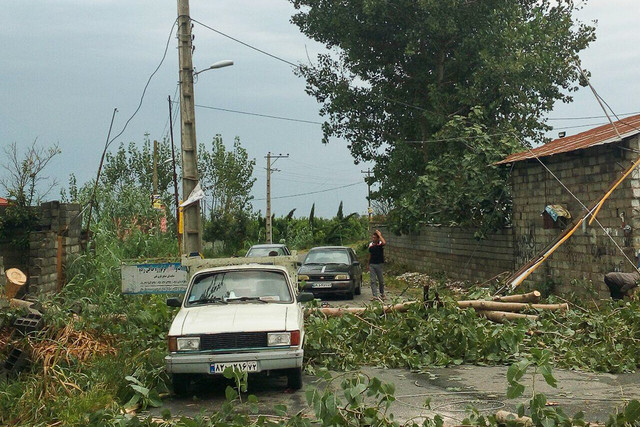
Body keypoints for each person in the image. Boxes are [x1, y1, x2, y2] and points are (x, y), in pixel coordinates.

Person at [368, 229, 386, 300]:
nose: (373, 239)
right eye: (372, 237)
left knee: (381, 280)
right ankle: (374, 295)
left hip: (379, 264)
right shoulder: (371, 245)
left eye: (375, 238)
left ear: (378, 238)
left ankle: (382, 294)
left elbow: (384, 242)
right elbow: (370, 254)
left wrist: (380, 235)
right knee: (373, 281)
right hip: (372, 264)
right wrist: (368, 264)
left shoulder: (380, 244)